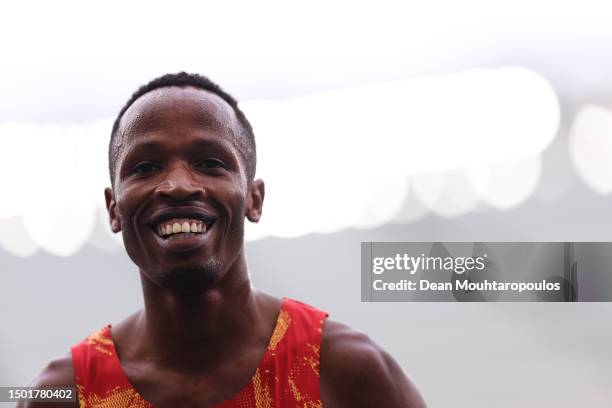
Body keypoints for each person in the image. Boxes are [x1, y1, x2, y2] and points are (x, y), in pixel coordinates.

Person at [20, 72, 426, 408]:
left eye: (210, 163)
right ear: (114, 209)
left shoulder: (345, 372)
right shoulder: (63, 395)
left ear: (254, 197)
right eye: (145, 166)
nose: (178, 185)